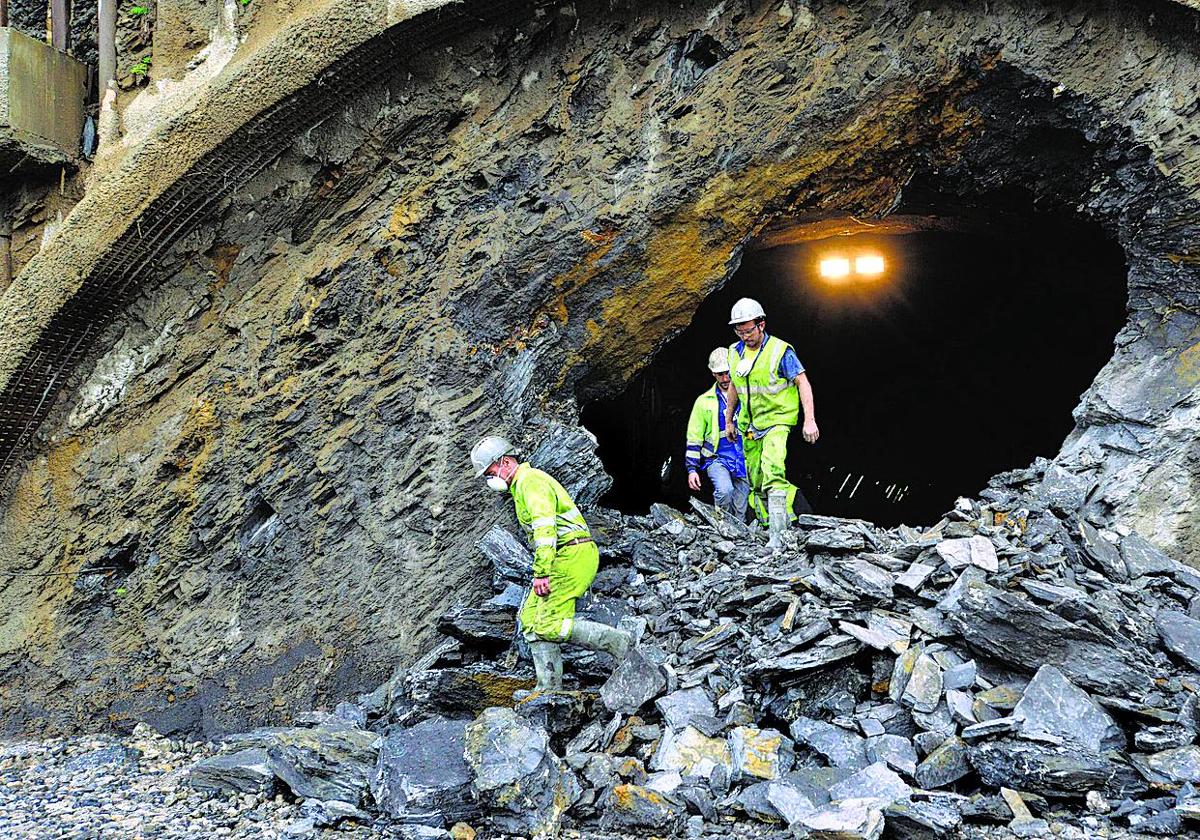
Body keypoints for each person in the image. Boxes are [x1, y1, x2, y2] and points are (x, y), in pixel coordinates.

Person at [471, 435, 633, 693]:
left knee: (548, 623)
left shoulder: (530, 481)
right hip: (563, 556)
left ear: (503, 462)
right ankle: (548, 690)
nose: (490, 479)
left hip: (572, 554)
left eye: (490, 472)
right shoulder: (520, 486)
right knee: (530, 621)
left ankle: (620, 644)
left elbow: (545, 530)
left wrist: (541, 573)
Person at [724, 298, 819, 548]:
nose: (745, 336)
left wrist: (809, 420)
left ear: (761, 324)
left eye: (748, 330)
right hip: (749, 426)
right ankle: (768, 527)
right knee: (755, 481)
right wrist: (729, 420)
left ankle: (778, 536)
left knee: (772, 472)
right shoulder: (734, 353)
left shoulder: (781, 351)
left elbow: (803, 383)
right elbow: (734, 385)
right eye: (739, 331)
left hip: (777, 421)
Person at [686, 347, 750, 520]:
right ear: (713, 374)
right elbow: (694, 437)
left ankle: (740, 538)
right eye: (719, 374)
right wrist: (692, 469)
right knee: (725, 490)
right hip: (716, 458)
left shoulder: (747, 396)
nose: (725, 378)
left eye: (728, 373)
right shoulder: (704, 402)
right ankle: (721, 523)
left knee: (741, 504)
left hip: (743, 457)